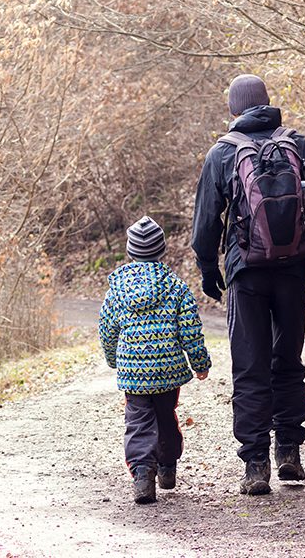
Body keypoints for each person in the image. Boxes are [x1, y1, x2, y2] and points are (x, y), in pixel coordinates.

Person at [191, 74, 305, 495]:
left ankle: (256, 465)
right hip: (293, 269)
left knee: (250, 367)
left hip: (246, 274)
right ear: (268, 104)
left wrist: (208, 267)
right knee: (288, 362)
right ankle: (289, 451)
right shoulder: (300, 145)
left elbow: (205, 222)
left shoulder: (222, 153)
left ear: (233, 109)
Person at [99, 216, 212, 504]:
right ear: (161, 250)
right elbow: (191, 330)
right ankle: (167, 466)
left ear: (130, 251)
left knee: (137, 421)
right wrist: (200, 363)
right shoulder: (175, 286)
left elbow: (107, 329)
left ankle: (143, 477)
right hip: (167, 370)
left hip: (133, 372)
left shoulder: (117, 289)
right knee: (165, 416)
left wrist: (114, 359)